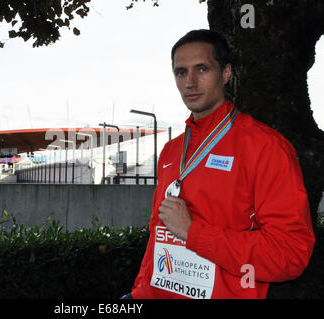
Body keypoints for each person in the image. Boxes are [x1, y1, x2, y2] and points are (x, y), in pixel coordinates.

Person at [127, 29, 315, 299]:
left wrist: (194, 232)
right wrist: (139, 291)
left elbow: (290, 253)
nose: (190, 82)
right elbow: (158, 233)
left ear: (226, 73)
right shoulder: (171, 151)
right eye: (181, 72)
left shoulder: (266, 148)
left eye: (202, 69)